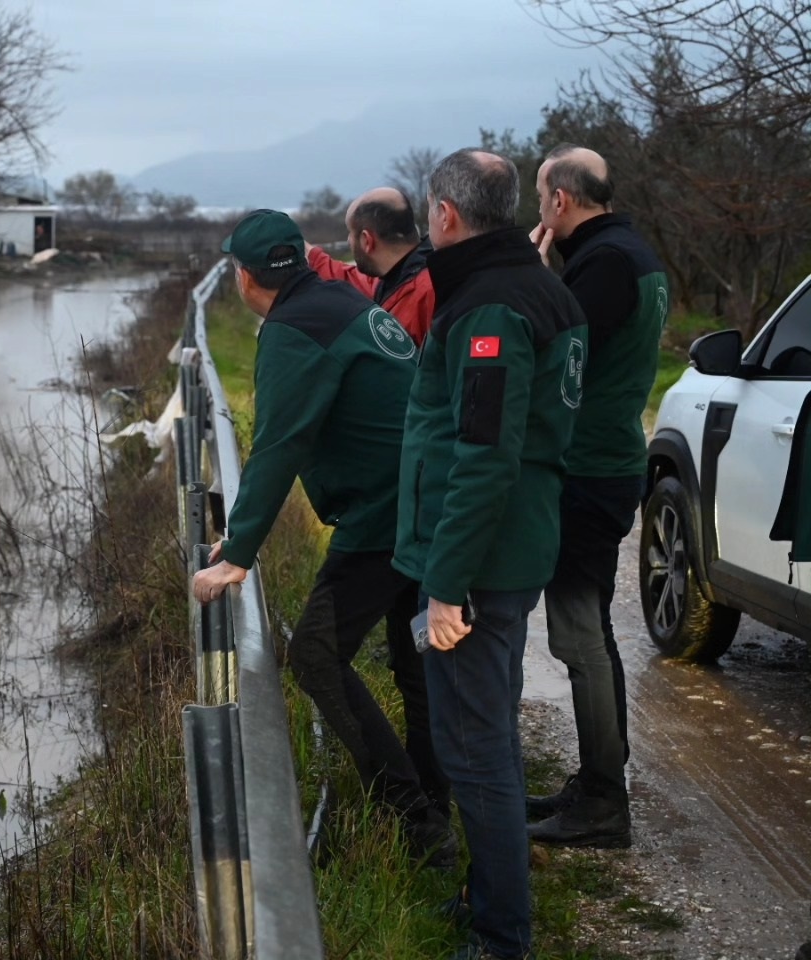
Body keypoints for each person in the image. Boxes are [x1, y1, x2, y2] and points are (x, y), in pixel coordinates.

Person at [191, 208, 453, 867]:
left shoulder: (294, 329)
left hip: (383, 515)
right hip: (425, 495)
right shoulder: (340, 298)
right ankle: (436, 802)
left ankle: (414, 822)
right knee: (414, 660)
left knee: (314, 653)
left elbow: (280, 442)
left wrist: (239, 554)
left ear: (249, 279)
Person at [393, 149, 587, 959]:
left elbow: (483, 458)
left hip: (480, 566)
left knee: (475, 754)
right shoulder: (533, 283)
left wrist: (446, 586)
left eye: (429, 211)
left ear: (444, 214)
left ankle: (502, 936)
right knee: (489, 737)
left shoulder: (491, 308)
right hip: (508, 552)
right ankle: (488, 897)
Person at [524, 144, 669, 849]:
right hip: (605, 462)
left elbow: (556, 344)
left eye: (540, 196)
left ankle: (606, 803)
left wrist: (531, 273)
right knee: (590, 634)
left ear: (560, 201)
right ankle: (596, 777)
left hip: (588, 468)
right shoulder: (625, 252)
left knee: (578, 635)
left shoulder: (606, 263)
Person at [306, 187, 436, 344]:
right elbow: (346, 278)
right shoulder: (392, 278)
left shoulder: (429, 292)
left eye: (350, 233)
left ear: (367, 241)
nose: (348, 240)